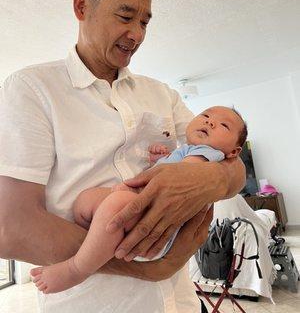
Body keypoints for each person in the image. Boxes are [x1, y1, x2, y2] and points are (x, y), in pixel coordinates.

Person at [0, 0, 245, 313]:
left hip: (177, 300)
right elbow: (12, 228)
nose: (137, 34)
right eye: (126, 17)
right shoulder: (33, 89)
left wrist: (205, 179)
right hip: (92, 302)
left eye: (145, 22)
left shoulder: (162, 94)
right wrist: (147, 267)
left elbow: (234, 165)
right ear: (82, 4)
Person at [30, 105, 247, 294]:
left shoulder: (207, 155)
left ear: (234, 151)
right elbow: (171, 172)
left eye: (223, 125)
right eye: (205, 115)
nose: (209, 122)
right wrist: (162, 159)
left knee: (115, 206)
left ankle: (76, 269)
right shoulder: (188, 151)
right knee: (88, 200)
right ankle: (100, 239)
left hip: (157, 226)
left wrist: (161, 166)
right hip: (145, 210)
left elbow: (182, 178)